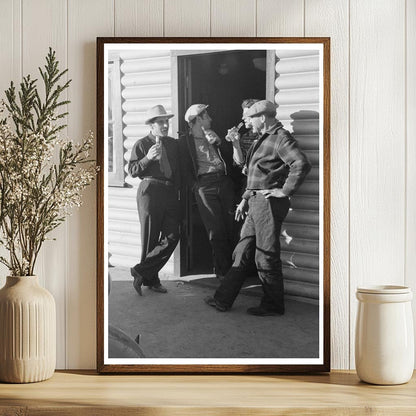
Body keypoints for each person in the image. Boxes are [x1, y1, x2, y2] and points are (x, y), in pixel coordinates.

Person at [205, 100, 311, 316]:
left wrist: (284, 191)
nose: (248, 121)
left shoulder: (280, 138)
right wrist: (245, 197)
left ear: (262, 118)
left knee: (266, 255)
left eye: (251, 117)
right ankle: (222, 299)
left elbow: (300, 164)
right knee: (242, 251)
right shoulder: (262, 139)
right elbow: (256, 176)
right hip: (255, 201)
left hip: (268, 203)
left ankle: (273, 305)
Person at [128, 105, 181, 295]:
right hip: (149, 191)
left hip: (169, 191)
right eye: (161, 122)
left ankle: (141, 271)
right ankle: (152, 280)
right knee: (150, 237)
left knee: (172, 236)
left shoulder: (173, 144)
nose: (165, 125)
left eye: (166, 121)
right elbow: (133, 171)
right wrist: (147, 158)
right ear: (151, 125)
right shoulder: (142, 144)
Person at [179, 104, 237, 279]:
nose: (211, 119)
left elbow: (233, 161)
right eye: (206, 116)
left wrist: (220, 143)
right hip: (205, 185)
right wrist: (195, 186)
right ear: (197, 120)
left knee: (232, 226)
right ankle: (222, 272)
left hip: (224, 182)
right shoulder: (185, 142)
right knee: (215, 230)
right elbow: (183, 168)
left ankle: (236, 272)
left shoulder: (214, 135)